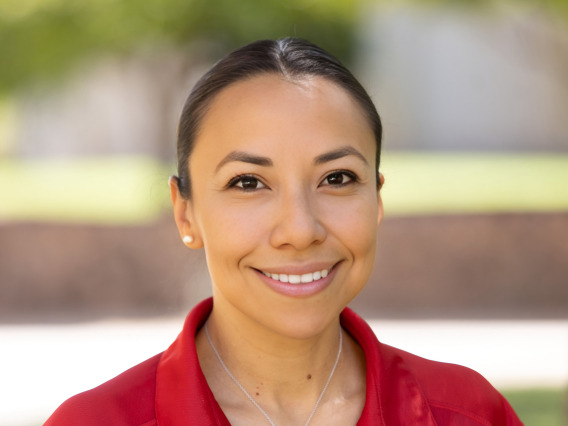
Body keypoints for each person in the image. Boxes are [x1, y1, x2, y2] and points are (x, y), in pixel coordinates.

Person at [46, 38, 522, 425]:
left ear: (376, 199)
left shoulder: (469, 413)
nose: (299, 230)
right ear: (185, 214)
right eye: (247, 182)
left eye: (337, 179)